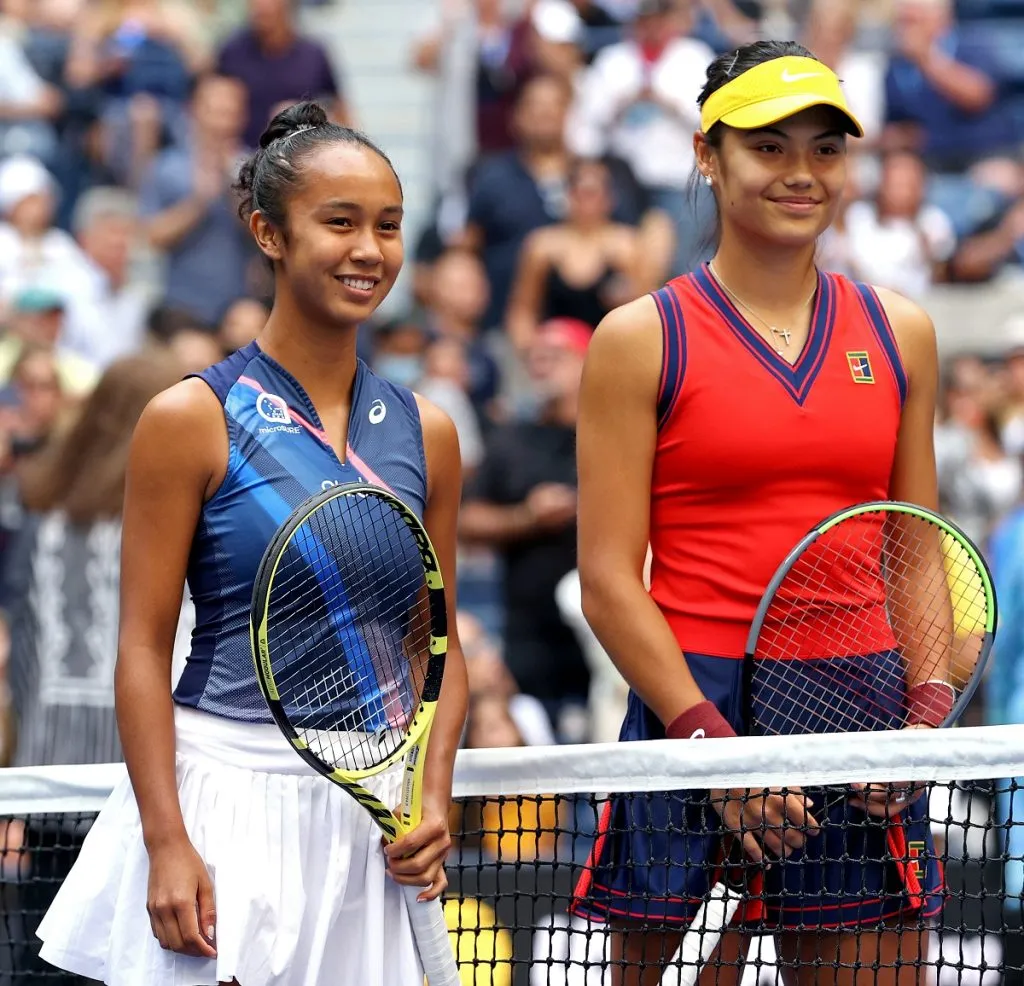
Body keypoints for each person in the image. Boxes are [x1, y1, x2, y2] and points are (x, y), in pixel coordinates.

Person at [34, 101, 468, 986]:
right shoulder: (189, 418)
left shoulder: (429, 431)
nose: (369, 250)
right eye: (338, 222)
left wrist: (432, 792)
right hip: (222, 796)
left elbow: (440, 644)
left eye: (387, 226)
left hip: (367, 816)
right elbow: (143, 646)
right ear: (267, 232)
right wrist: (167, 841)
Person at [570, 41, 943, 986]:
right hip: (692, 709)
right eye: (769, 148)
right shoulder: (638, 338)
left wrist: (927, 715)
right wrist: (712, 751)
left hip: (862, 713)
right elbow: (611, 580)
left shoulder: (902, 332)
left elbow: (919, 548)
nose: (801, 173)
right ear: (709, 155)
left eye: (824, 149)